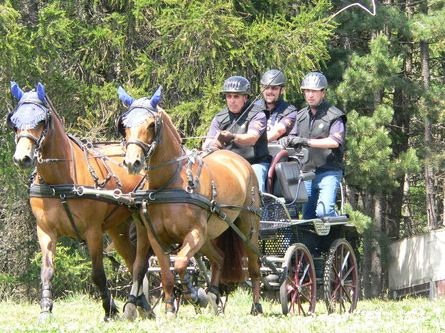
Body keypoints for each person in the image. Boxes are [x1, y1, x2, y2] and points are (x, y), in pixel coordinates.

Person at [279, 72, 346, 219]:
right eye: (307, 91)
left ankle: (340, 222)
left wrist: (306, 141)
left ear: (323, 92)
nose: (310, 95)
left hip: (329, 171)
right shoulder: (301, 115)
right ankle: (313, 242)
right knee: (307, 218)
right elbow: (294, 136)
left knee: (324, 212)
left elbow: (334, 142)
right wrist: (287, 140)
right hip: (307, 172)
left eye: (314, 91)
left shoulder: (334, 115)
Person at [202, 75, 270, 192]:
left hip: (254, 162)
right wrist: (213, 143)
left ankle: (261, 208)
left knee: (257, 178)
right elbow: (207, 142)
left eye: (236, 96)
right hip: (227, 163)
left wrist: (232, 137)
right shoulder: (220, 117)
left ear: (245, 97)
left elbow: (252, 138)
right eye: (229, 96)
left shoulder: (257, 114)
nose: (232, 100)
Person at [255, 69, 297, 142]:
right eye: (266, 87)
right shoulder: (253, 107)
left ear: (282, 90)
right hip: (251, 151)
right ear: (261, 88)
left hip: (276, 151)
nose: (269, 91)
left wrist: (254, 142)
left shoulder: (290, 111)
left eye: (274, 88)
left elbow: (279, 130)